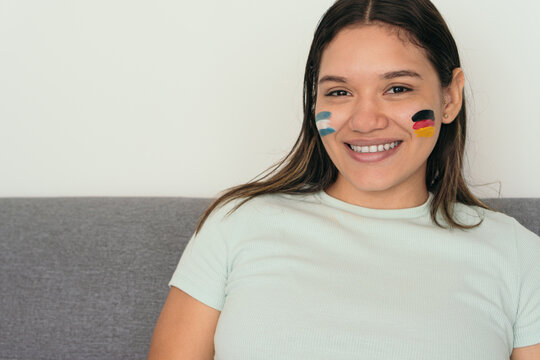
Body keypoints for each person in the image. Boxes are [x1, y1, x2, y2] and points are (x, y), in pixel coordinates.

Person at [148, 0, 540, 358]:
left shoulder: (517, 255)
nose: (365, 120)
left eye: (397, 88)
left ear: (450, 98)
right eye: (339, 92)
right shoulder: (237, 224)